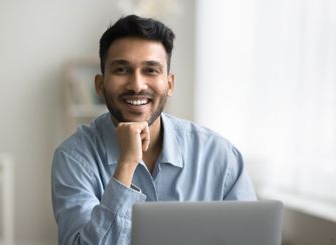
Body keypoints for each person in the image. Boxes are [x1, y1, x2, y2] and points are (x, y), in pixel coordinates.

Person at [51, 14, 256, 245]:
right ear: (100, 84)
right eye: (121, 69)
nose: (137, 85)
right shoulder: (73, 157)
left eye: (151, 70)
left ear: (169, 84)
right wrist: (126, 165)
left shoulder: (222, 157)